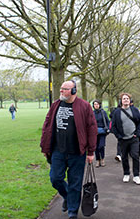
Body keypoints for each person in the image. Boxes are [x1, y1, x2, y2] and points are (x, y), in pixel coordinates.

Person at [40, 80, 97, 219]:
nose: (61, 91)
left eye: (64, 89)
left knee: (75, 183)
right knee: (55, 178)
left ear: (73, 91)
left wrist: (91, 152)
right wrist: (45, 147)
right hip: (58, 151)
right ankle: (67, 196)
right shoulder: (55, 105)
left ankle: (72, 212)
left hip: (77, 152)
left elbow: (92, 128)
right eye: (61, 88)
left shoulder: (84, 106)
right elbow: (47, 125)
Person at [111, 93, 140, 185]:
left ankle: (136, 176)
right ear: (121, 101)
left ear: (130, 100)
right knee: (124, 157)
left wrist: (137, 133)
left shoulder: (135, 110)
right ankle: (126, 173)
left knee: (135, 156)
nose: (126, 100)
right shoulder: (117, 112)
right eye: (124, 98)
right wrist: (118, 136)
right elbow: (113, 126)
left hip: (133, 138)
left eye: (127, 98)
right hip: (123, 139)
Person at [92, 99, 110, 167]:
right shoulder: (92, 113)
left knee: (101, 146)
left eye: (97, 104)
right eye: (94, 104)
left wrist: (107, 128)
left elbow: (107, 121)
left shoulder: (103, 112)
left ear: (99, 105)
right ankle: (97, 160)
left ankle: (102, 159)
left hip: (102, 131)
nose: (96, 105)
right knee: (96, 147)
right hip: (94, 132)